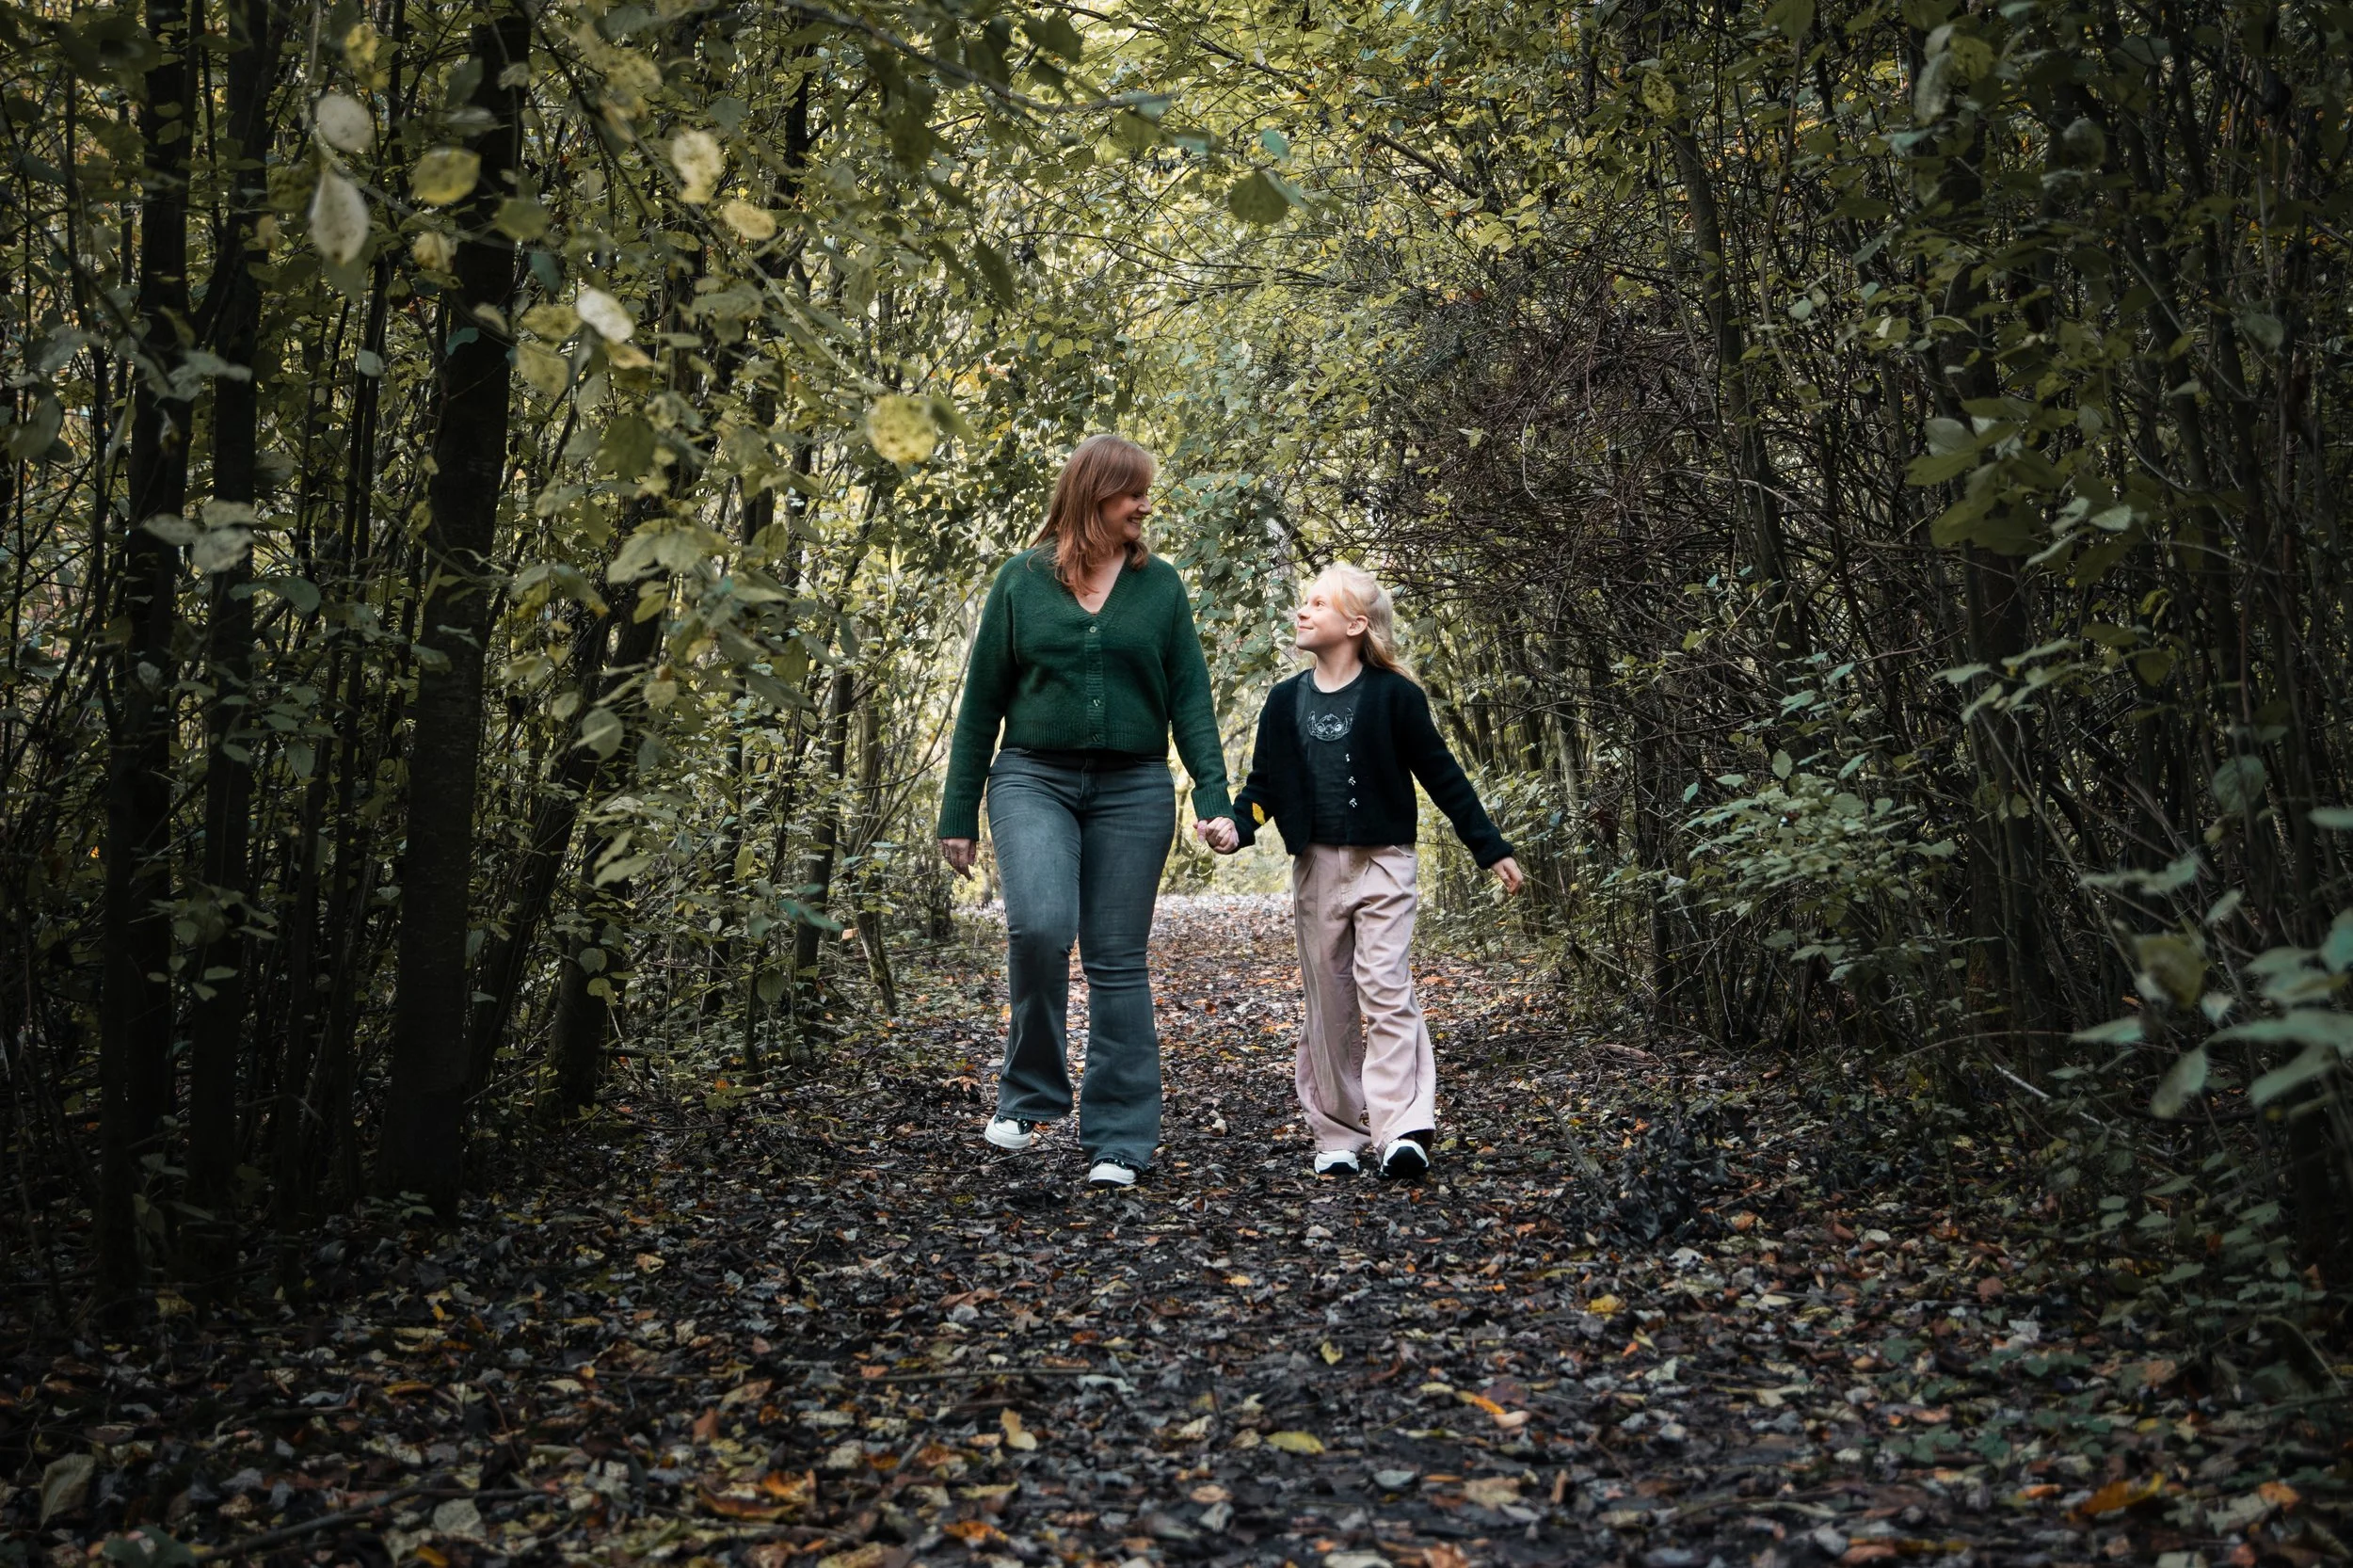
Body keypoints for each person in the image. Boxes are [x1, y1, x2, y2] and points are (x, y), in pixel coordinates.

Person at [937, 435, 1233, 1190]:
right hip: (1032, 777)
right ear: (1093, 493)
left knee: (1116, 957)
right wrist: (958, 810)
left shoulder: (1160, 586)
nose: (1144, 505)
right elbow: (981, 706)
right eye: (1132, 492)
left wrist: (1212, 796)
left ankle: (1119, 1141)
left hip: (1134, 788)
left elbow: (1191, 700)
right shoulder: (1020, 582)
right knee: (1038, 924)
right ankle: (1031, 1094)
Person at [1198, 565, 1522, 1179]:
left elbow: (1442, 776)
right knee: (1331, 999)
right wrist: (1235, 830)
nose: (1303, 611)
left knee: (1385, 986)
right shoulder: (1283, 701)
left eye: (1318, 603)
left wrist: (1490, 847)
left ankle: (1401, 1128)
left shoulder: (1395, 698)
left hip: (1384, 863)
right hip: (1316, 866)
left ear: (1355, 624)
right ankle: (1339, 1133)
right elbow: (1262, 790)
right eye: (1303, 601)